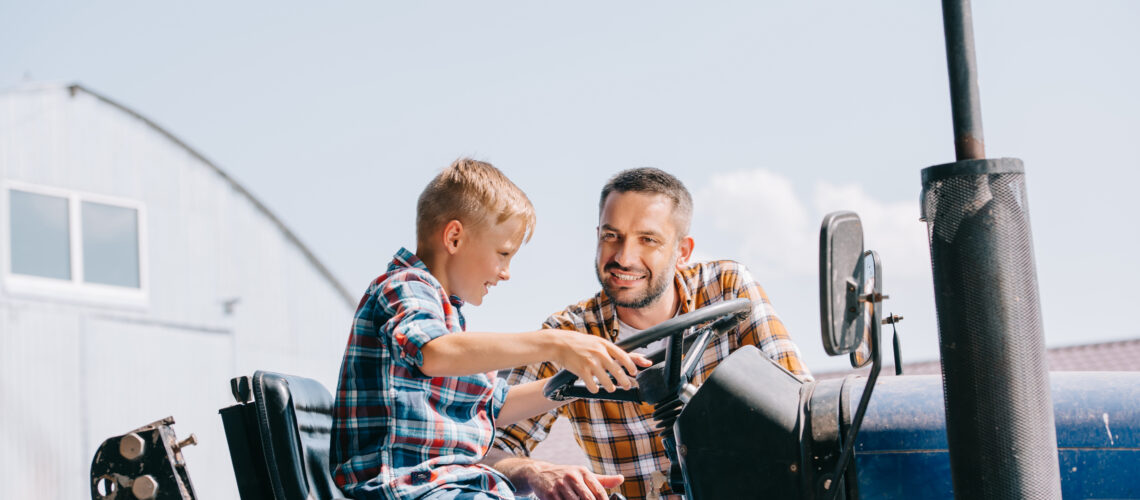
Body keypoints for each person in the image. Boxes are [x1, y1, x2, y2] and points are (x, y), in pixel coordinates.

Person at [330, 158, 651, 500]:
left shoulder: (446, 316)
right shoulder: (406, 286)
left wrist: (581, 384)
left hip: (450, 484)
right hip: (407, 484)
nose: (506, 272)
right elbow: (433, 353)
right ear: (454, 237)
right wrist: (554, 343)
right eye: (503, 253)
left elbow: (493, 406)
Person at [485, 168, 812, 500]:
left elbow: (803, 409)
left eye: (648, 240)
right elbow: (483, 445)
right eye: (612, 236)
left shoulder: (727, 291)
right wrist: (536, 471)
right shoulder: (568, 335)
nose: (624, 258)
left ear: (682, 251)